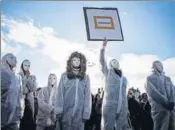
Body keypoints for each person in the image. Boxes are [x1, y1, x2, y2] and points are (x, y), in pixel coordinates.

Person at [55, 51, 92, 130]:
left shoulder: (85, 77)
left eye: (78, 60)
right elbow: (60, 94)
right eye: (74, 60)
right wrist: (58, 110)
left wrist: (86, 112)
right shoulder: (64, 76)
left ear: (81, 62)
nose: (76, 62)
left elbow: (88, 96)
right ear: (70, 62)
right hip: (66, 111)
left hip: (80, 113)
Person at [100, 38, 128, 130]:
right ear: (110, 64)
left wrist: (126, 108)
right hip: (110, 105)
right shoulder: (108, 73)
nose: (115, 62)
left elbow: (124, 94)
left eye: (116, 61)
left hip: (122, 106)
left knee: (122, 127)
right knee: (108, 127)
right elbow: (102, 62)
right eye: (113, 62)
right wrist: (103, 47)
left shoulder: (124, 78)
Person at [145, 60, 175, 130]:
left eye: (161, 64)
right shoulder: (150, 78)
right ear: (154, 67)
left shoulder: (168, 79)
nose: (160, 66)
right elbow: (153, 93)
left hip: (171, 109)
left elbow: (173, 91)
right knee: (159, 127)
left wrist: (172, 102)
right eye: (158, 65)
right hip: (159, 109)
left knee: (171, 126)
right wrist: (166, 102)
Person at [1, 53, 20, 130]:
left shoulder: (15, 78)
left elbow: (18, 97)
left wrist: (19, 112)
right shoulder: (2, 74)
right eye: (11, 57)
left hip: (13, 120)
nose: (15, 59)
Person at [19, 60, 37, 130]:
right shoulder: (18, 76)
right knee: (21, 120)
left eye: (28, 65)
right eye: (25, 65)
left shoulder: (33, 77)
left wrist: (27, 79)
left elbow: (33, 88)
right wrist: (25, 79)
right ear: (22, 66)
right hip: (21, 101)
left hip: (30, 101)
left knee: (30, 120)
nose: (27, 67)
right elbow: (22, 90)